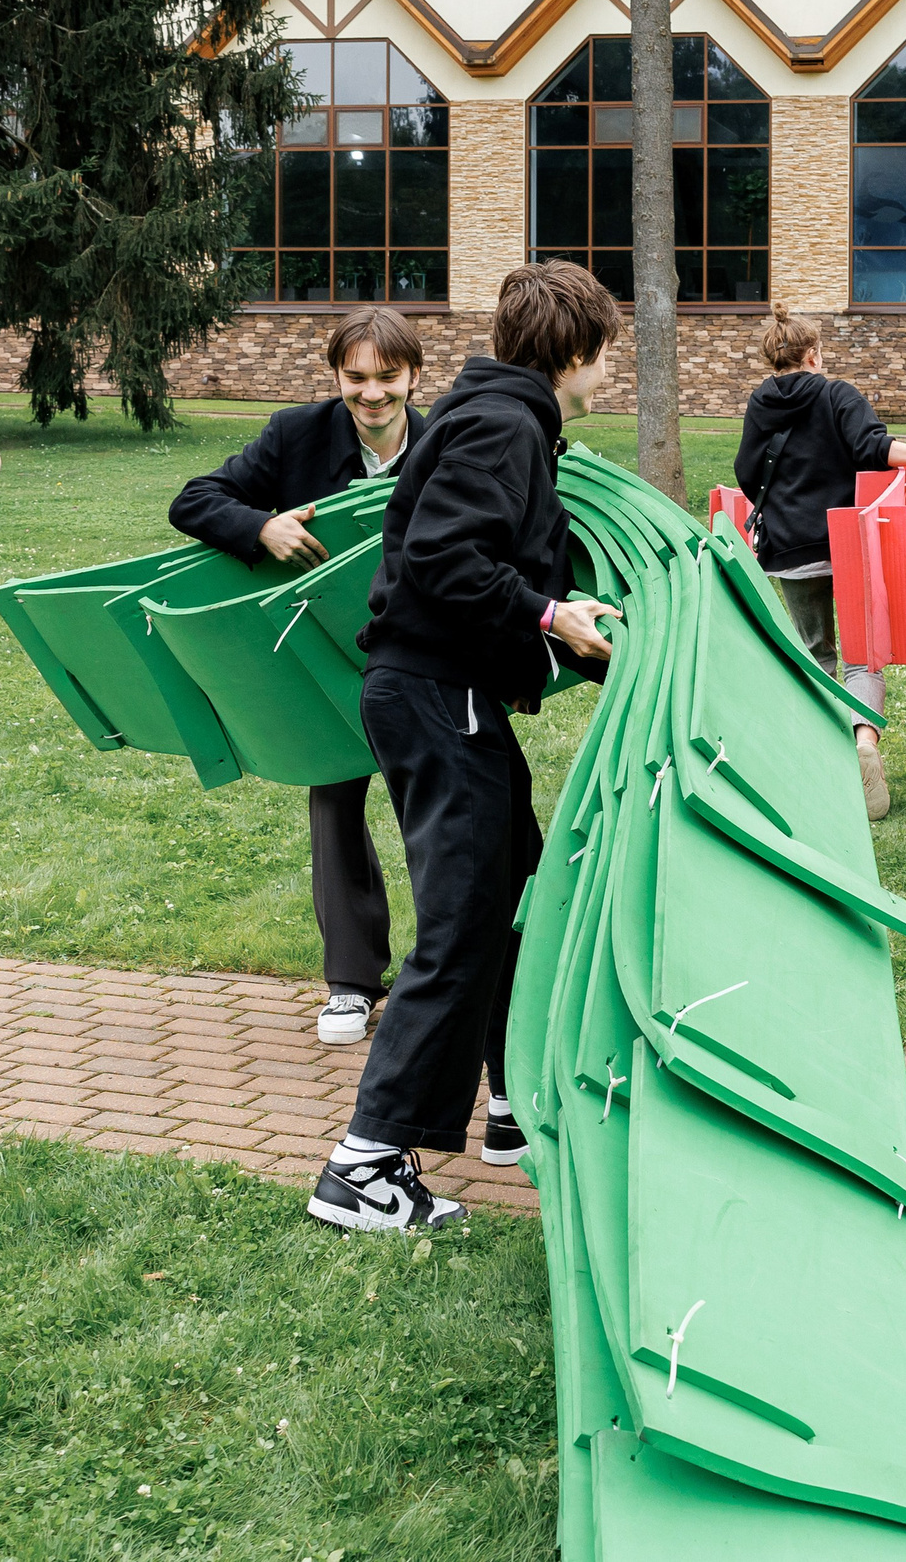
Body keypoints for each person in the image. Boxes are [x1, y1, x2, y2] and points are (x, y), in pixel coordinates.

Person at [308, 262, 623, 1232]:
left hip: (443, 695)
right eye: (607, 353)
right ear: (572, 352)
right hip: (441, 697)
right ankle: (362, 1166)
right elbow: (446, 561)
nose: (611, 371)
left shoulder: (500, 415)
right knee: (459, 926)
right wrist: (547, 614)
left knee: (515, 897)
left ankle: (512, 1105)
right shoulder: (502, 424)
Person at [170, 306, 429, 1046]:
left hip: (424, 653)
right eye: (356, 378)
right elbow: (194, 499)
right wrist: (262, 526)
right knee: (334, 801)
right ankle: (351, 979)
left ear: (413, 375)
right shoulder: (296, 434)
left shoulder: (447, 438)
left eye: (387, 378)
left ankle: (438, 973)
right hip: (325, 652)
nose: (372, 394)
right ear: (335, 376)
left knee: (435, 812)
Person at [733, 303, 906, 821]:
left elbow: (747, 471)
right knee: (862, 657)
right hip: (843, 544)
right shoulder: (836, 393)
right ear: (813, 353)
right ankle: (864, 742)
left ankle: (822, 763)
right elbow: (876, 448)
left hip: (791, 552)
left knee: (816, 654)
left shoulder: (759, 403)